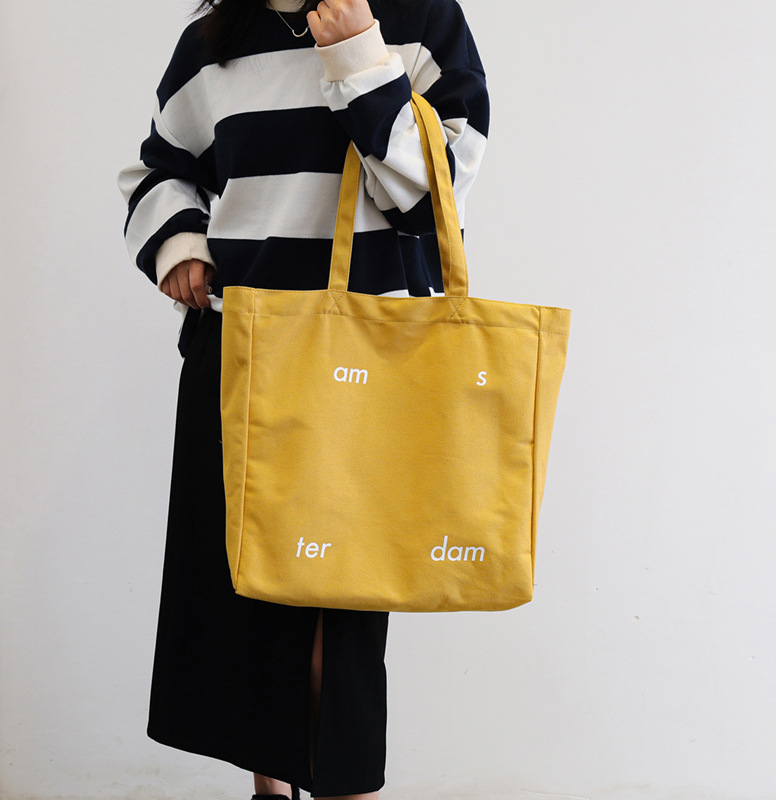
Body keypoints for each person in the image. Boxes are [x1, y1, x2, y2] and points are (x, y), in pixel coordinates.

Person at [117, 0, 489, 798]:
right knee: (249, 602)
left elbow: (437, 197)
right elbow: (159, 168)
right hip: (240, 351)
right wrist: (179, 243)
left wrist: (358, 56)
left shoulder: (418, 20)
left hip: (367, 368)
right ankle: (270, 788)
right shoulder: (212, 40)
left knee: (337, 611)